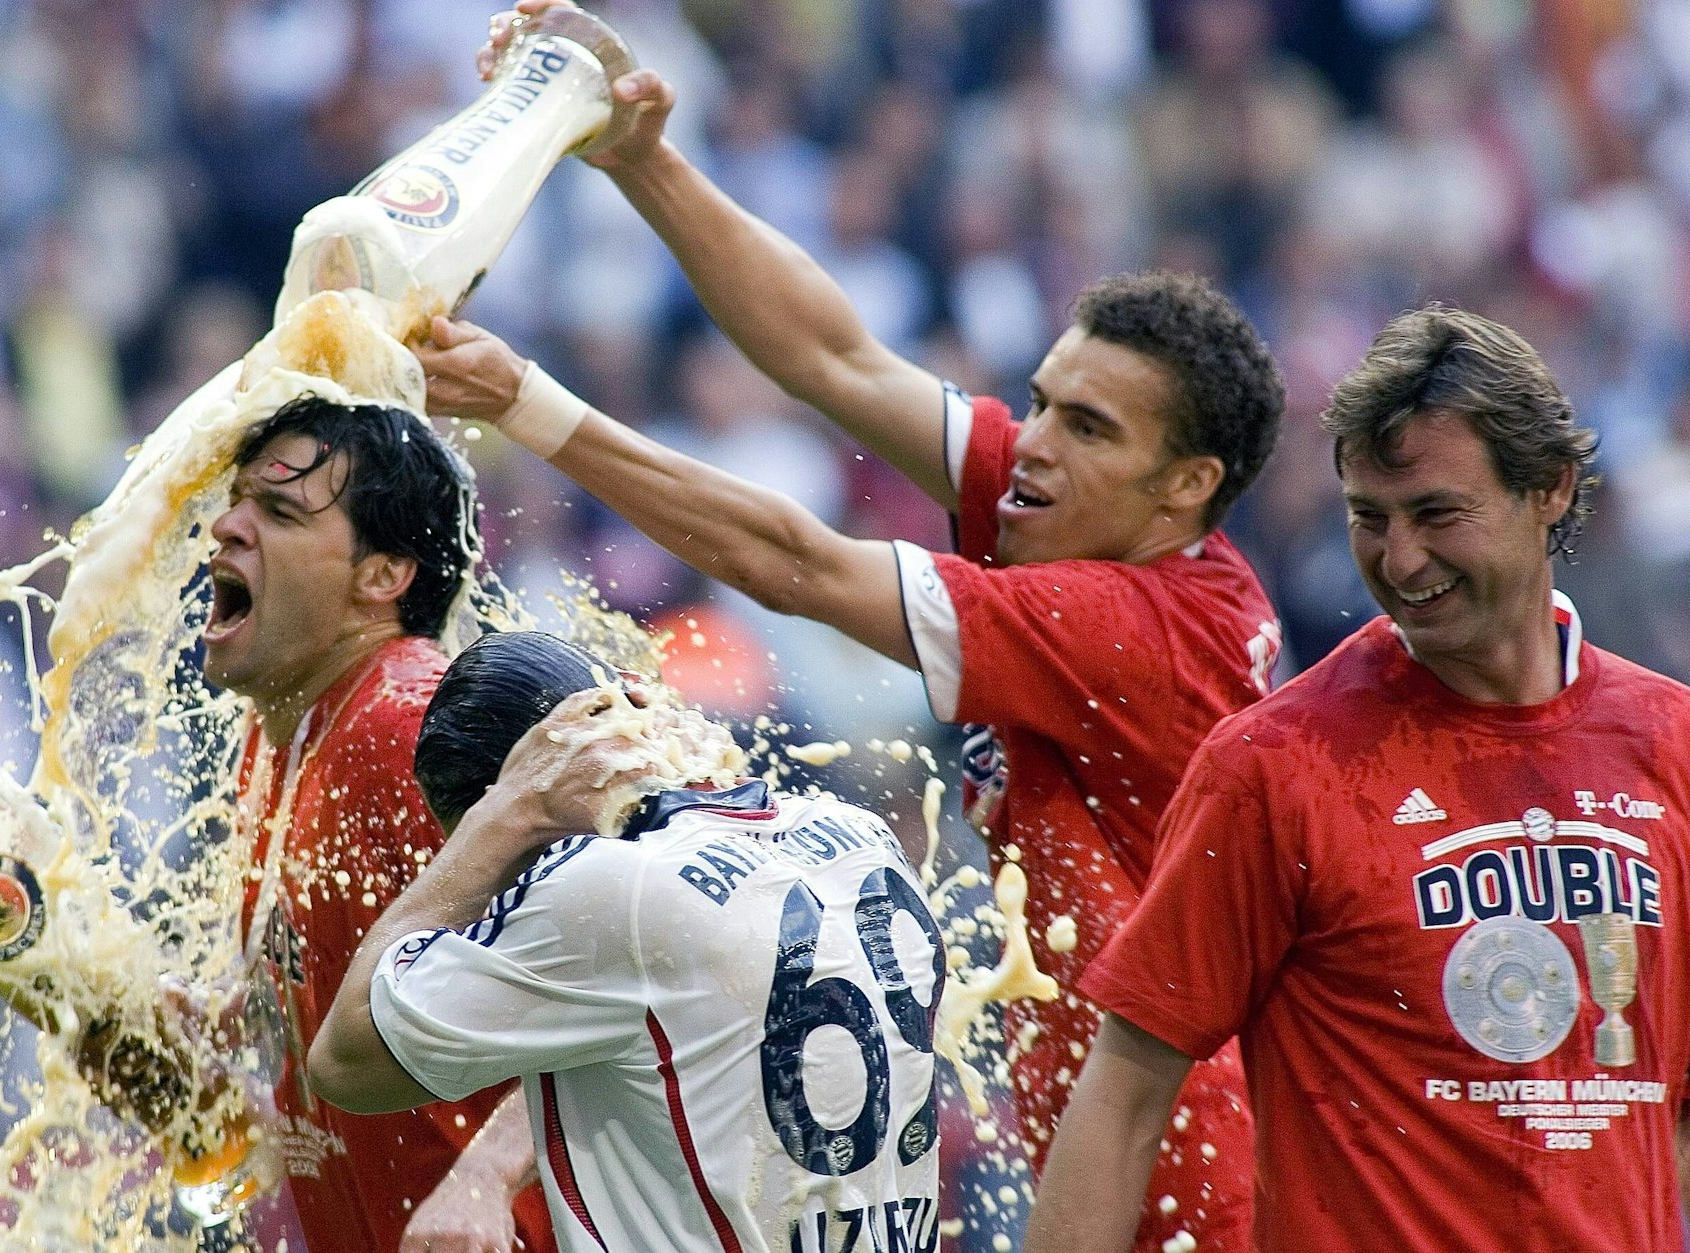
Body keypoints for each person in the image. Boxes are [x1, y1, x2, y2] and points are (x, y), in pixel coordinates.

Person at [413, 10, 1288, 1246]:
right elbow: (831, 355)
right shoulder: (1088, 520)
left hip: (1183, 1165)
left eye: (1085, 428)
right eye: (1040, 401)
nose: (1031, 443)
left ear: (1186, 485)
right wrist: (644, 159)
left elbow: (790, 562)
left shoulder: (1125, 621)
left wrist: (528, 403)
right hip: (1115, 1123)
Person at [1028, 305, 1690, 1251]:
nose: (1401, 558)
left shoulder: (1672, 742)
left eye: (1437, 513)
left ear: (1550, 487)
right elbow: (1126, 1091)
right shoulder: (1276, 765)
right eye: (1369, 518)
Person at [308, 630, 948, 1253]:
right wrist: (490, 1166)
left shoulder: (602, 887)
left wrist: (500, 821)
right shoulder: (856, 832)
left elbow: (344, 1062)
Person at [175, 394, 554, 1251]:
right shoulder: (278, 734)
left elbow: (631, 972)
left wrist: (490, 1173)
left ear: (382, 575)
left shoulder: (411, 724)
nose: (226, 528)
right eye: (237, 502)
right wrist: (211, 1039)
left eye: (279, 513)